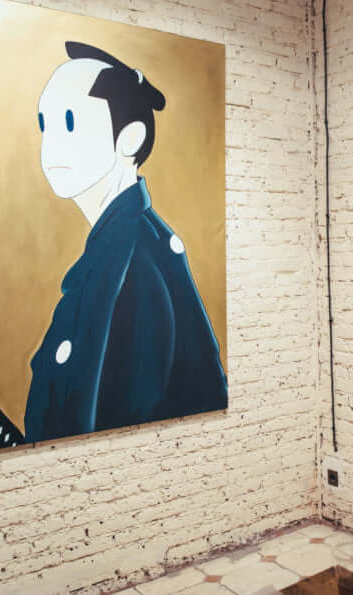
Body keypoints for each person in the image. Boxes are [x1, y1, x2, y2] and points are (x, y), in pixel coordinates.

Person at [24, 41, 228, 443]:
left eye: (70, 122)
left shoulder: (134, 259)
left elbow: (119, 407)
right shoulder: (118, 249)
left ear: (130, 138)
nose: (52, 144)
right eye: (45, 124)